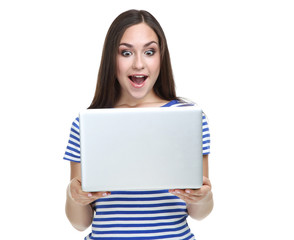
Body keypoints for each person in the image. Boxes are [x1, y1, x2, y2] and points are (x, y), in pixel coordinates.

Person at [63, 9, 213, 240]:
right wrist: (74, 197)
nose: (139, 64)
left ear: (161, 57)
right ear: (111, 59)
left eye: (149, 51)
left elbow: (199, 213)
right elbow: (80, 223)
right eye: (126, 53)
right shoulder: (86, 124)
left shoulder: (187, 118)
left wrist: (203, 198)